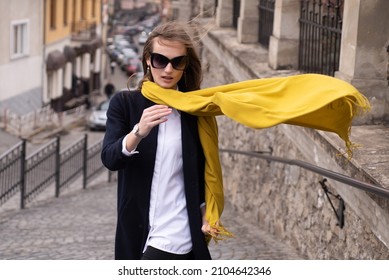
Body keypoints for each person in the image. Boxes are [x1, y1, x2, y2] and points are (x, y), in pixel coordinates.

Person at [101, 21, 214, 260]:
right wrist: (138, 132)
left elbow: (201, 168)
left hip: (178, 227)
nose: (168, 69)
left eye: (177, 62)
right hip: (137, 224)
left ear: (185, 65)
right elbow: (110, 159)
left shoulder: (193, 109)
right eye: (160, 60)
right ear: (147, 60)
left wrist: (205, 209)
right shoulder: (124, 104)